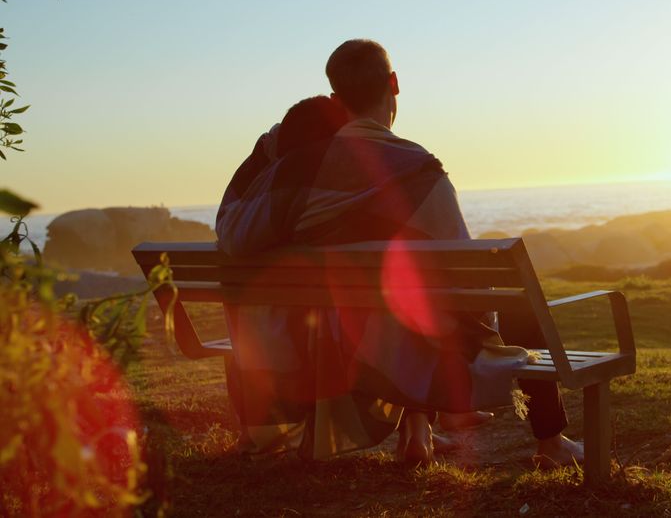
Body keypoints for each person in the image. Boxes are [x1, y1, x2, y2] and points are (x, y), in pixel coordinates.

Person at [215, 39, 583, 467]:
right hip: (393, 344)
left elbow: (234, 233)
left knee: (404, 300)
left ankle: (418, 431)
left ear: (336, 99)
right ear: (393, 83)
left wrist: (271, 144)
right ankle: (552, 442)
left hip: (323, 339)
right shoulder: (418, 170)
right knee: (514, 303)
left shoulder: (297, 171)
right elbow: (467, 284)